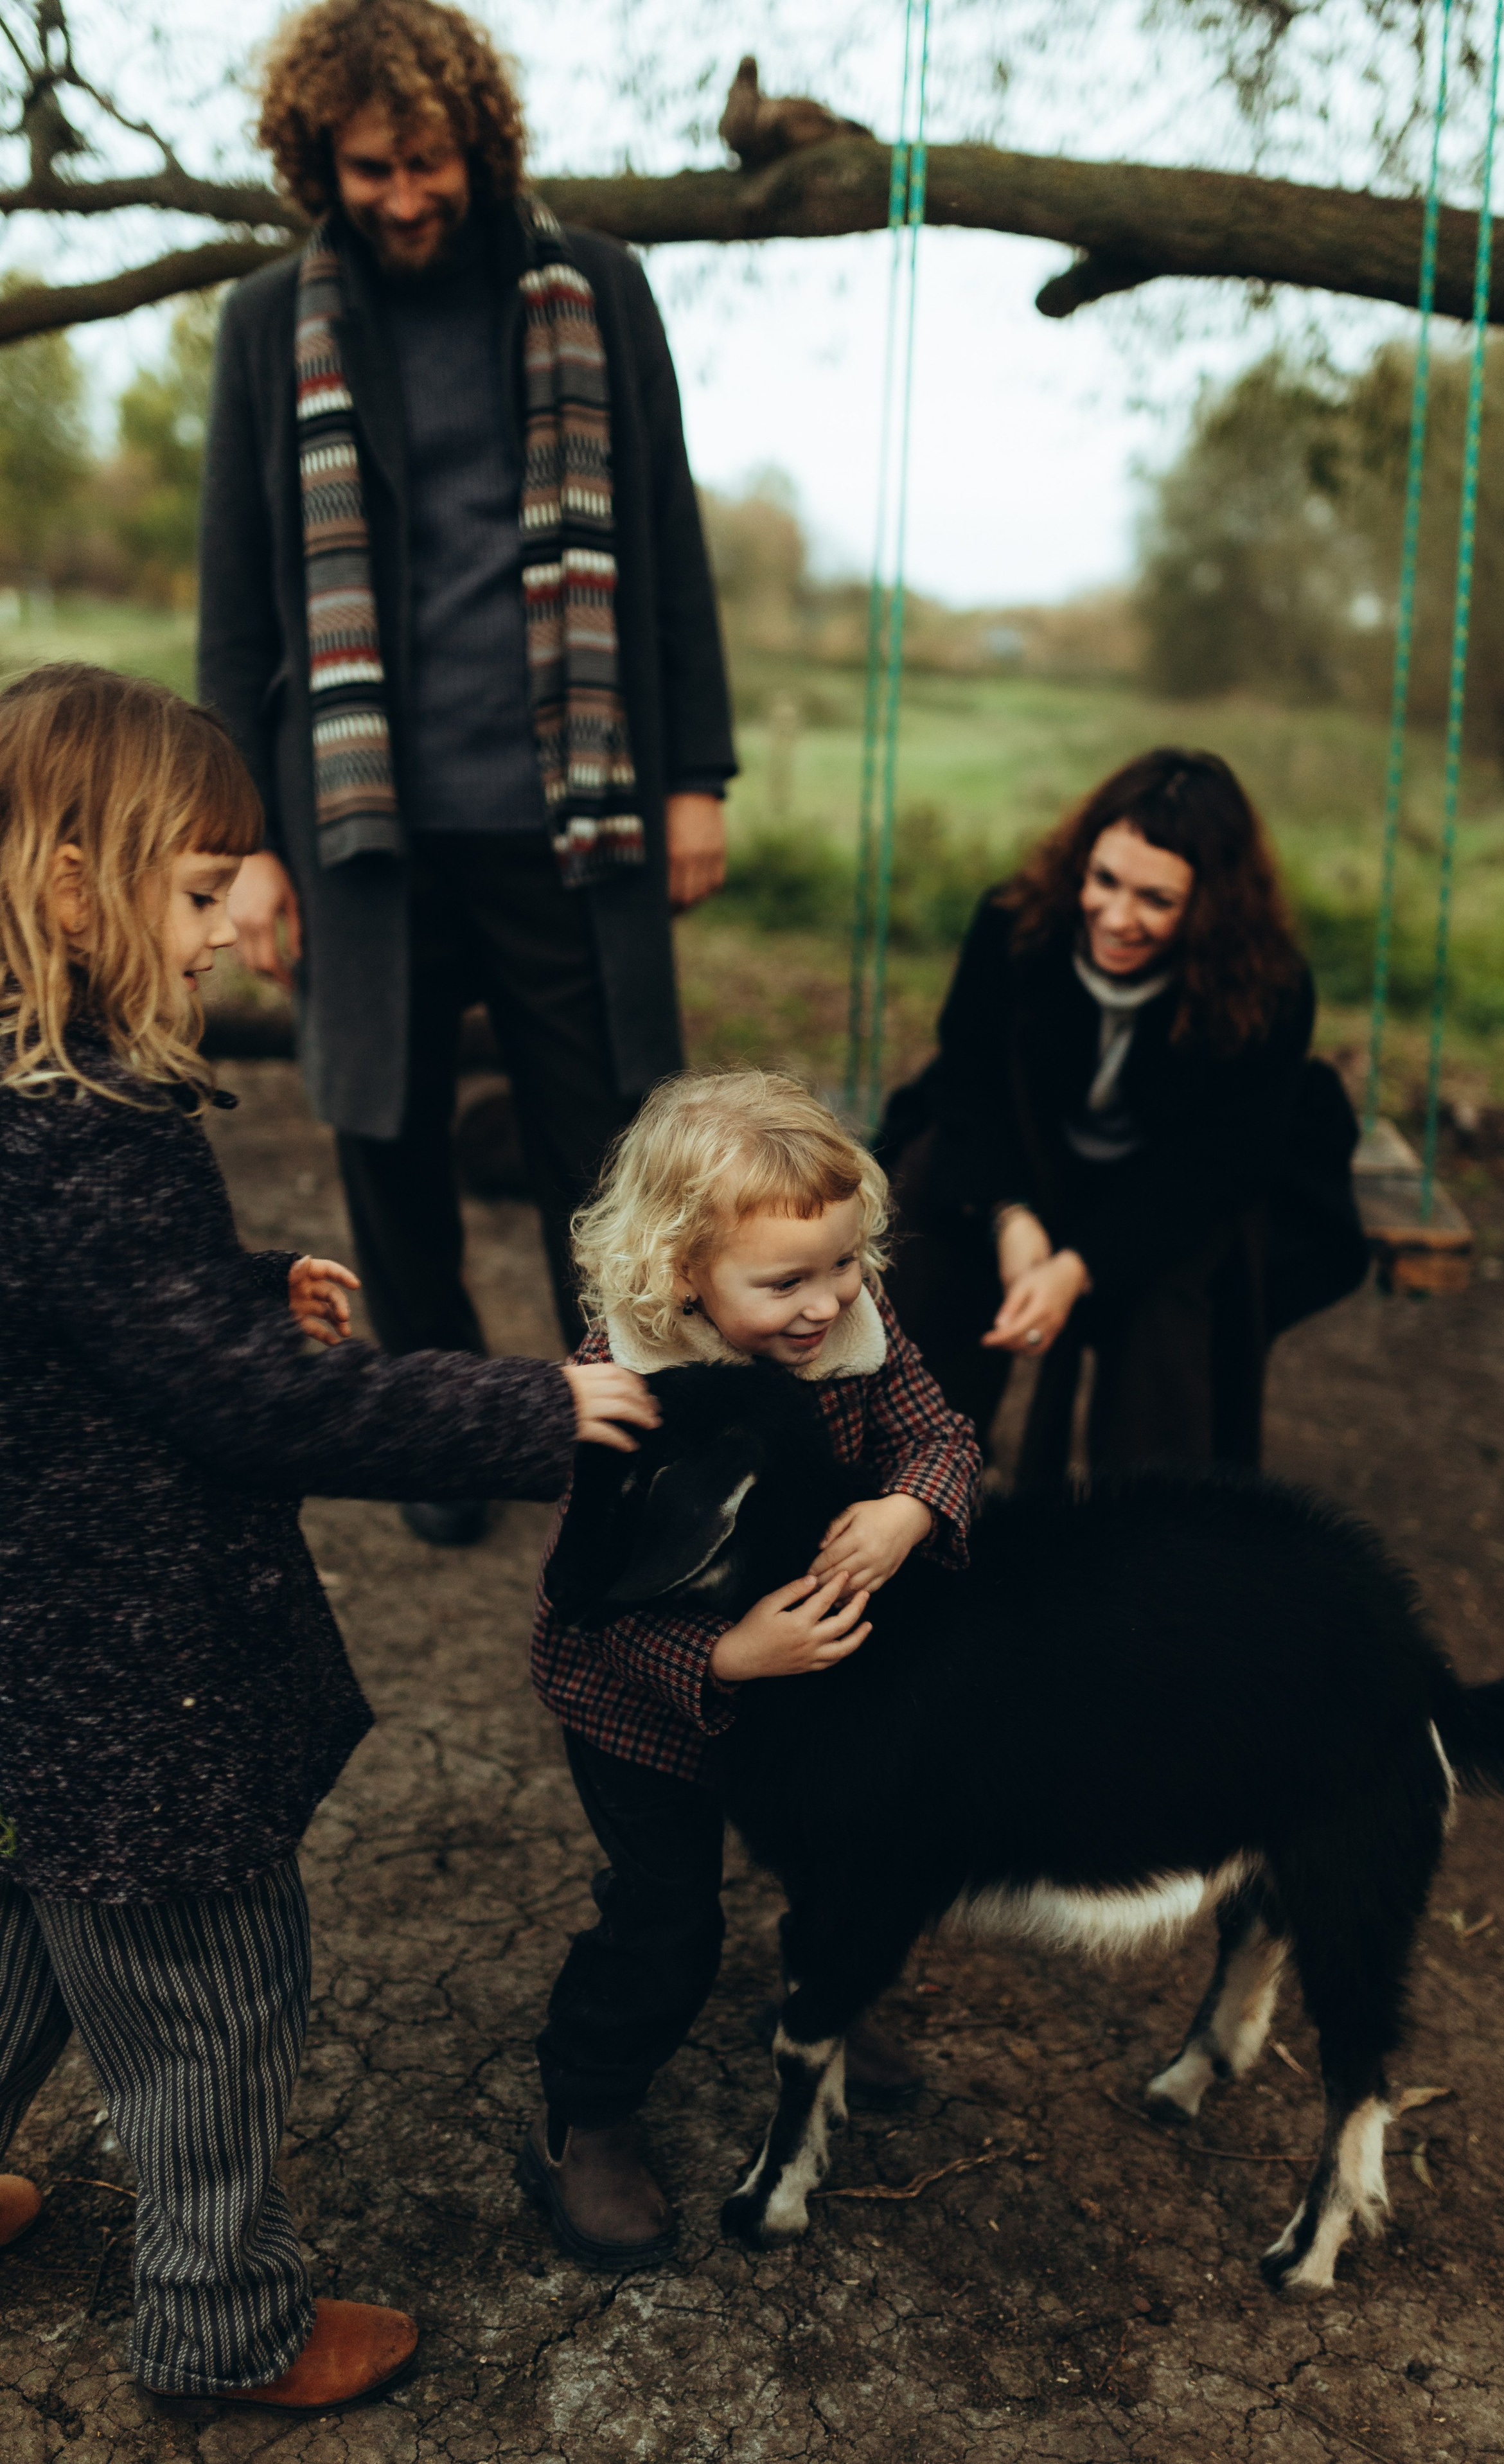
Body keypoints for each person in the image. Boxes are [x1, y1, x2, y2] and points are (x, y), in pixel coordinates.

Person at [0, 664, 659, 2411]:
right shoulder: (85, 1129)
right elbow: (252, 1411)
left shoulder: (26, 1095)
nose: (227, 931)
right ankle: (221, 2322)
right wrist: (535, 1411)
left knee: (37, 1904)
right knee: (211, 1987)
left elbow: (92, 1317)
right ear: (75, 887)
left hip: (33, 1651)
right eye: (199, 891)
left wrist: (229, 1290)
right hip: (128, 1666)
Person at [199, 0, 736, 1545]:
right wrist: (243, 842)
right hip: (358, 823)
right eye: (369, 170)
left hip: (572, 811)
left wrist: (693, 768)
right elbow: (236, 612)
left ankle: (641, 1437)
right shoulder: (264, 325)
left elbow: (669, 541)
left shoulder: (599, 291)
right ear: (322, 162)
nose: (403, 197)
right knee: (385, 1138)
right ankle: (442, 1434)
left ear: (477, 147)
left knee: (617, 1149)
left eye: (425, 163)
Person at [522, 1072, 984, 2269]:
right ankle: (592, 2110)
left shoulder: (855, 1327)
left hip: (817, 1689)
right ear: (682, 1272)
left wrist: (907, 1514)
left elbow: (941, 1436)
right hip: (642, 1707)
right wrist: (723, 1655)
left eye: (843, 1264)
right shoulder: (622, 1391)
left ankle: (827, 1999)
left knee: (850, 1853)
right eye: (785, 1282)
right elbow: (589, 1601)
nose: (827, 1302)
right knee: (668, 1915)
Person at [880, 748, 1368, 1488]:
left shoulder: (1266, 988)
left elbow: (1217, 1163)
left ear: (1210, 906)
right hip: (1022, 1162)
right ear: (1082, 861)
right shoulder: (1015, 925)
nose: (1116, 917)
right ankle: (904, 1477)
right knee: (934, 1220)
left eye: (1156, 900)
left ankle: (1150, 1527)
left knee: (1171, 1301)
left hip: (1162, 1184)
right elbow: (970, 1081)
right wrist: (1009, 1216)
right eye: (1104, 881)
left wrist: (1079, 1266)